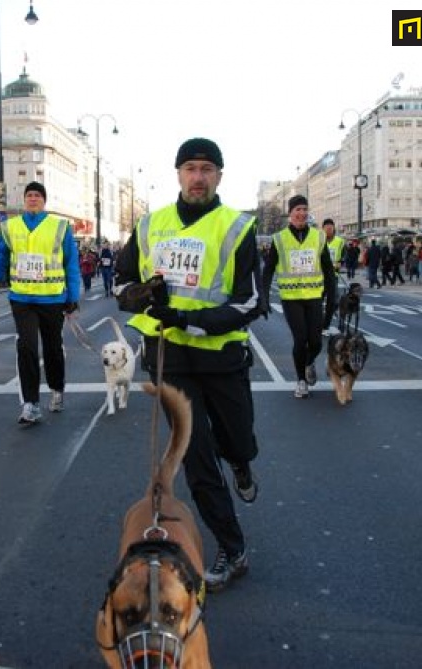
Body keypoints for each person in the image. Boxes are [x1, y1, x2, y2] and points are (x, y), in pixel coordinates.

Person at [115, 137, 264, 592]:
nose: (198, 177)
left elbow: (251, 301)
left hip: (221, 357)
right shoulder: (150, 225)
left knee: (237, 442)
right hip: (171, 362)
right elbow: (121, 284)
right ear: (177, 174)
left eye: (206, 169)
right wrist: (142, 295)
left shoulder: (237, 227)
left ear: (219, 175)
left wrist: (188, 318)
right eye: (190, 168)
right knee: (196, 459)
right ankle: (232, 548)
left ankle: (240, 462)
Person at [0, 182, 81, 424]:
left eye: (37, 195)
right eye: (29, 195)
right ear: (24, 199)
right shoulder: (10, 226)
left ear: (44, 200)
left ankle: (57, 389)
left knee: (52, 347)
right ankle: (30, 404)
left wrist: (73, 296)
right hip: (22, 298)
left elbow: (71, 263)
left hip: (52, 298)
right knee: (26, 347)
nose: (32, 199)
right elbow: (2, 254)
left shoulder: (60, 226)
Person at [262, 195, 338, 398]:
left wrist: (333, 296)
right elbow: (268, 270)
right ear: (290, 214)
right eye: (298, 209)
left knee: (316, 342)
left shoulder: (318, 237)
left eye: (305, 209)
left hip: (314, 296)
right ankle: (301, 381)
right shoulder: (279, 239)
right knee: (300, 339)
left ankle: (309, 362)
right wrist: (264, 297)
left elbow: (328, 271)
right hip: (291, 298)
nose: (302, 213)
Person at [320, 218, 345, 336]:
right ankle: (317, 323)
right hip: (319, 276)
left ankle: (325, 325)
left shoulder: (340, 241)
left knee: (334, 301)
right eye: (327, 227)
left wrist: (341, 262)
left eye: (331, 227)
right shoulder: (318, 241)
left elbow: (344, 255)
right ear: (323, 229)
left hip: (333, 275)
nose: (329, 229)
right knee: (317, 301)